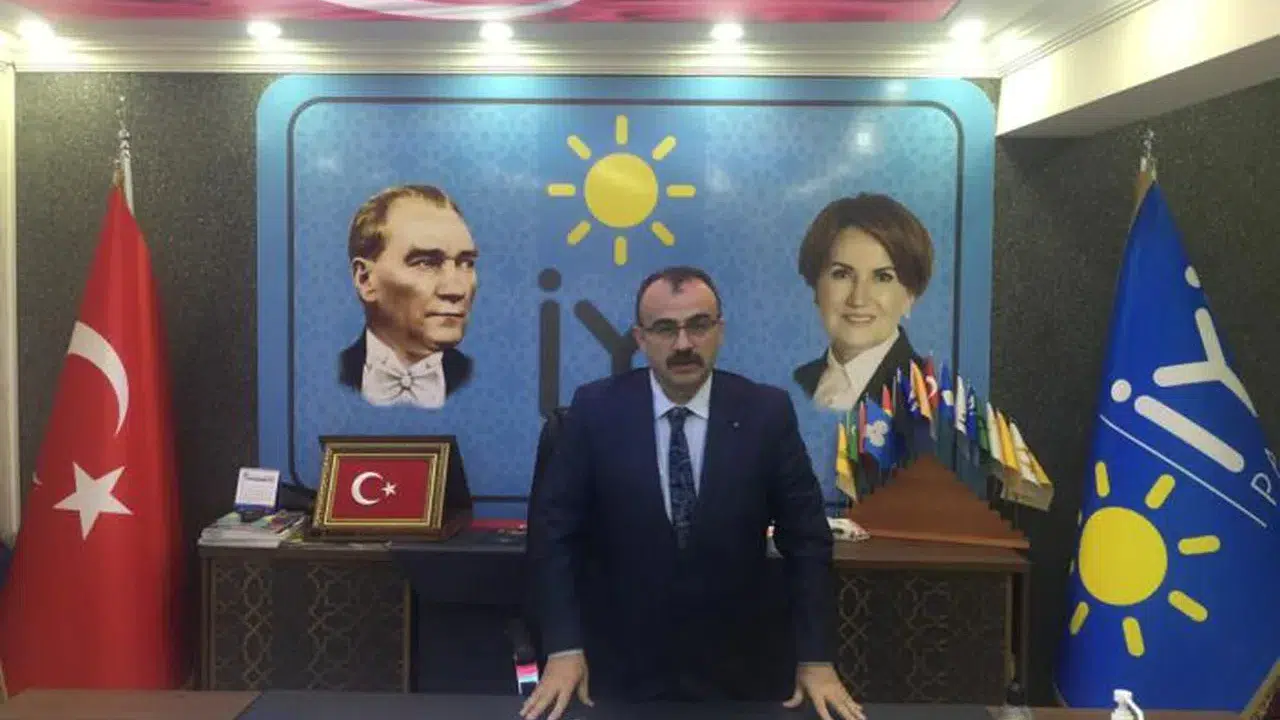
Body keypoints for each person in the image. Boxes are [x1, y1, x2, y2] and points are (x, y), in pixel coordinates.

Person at [524, 266, 863, 720]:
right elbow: (554, 539)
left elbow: (807, 542)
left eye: (698, 325)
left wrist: (816, 659)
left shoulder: (766, 413)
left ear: (719, 331)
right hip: (616, 670)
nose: (683, 344)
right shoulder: (595, 411)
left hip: (739, 670)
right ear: (641, 338)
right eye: (665, 328)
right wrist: (564, 649)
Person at [338, 184, 478, 409]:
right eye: (425, 263)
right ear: (365, 280)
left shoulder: (486, 381)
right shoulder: (328, 375)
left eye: (466, 263)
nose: (456, 290)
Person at [793, 193, 933, 413]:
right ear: (816, 287)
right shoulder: (796, 383)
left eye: (882, 277)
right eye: (841, 274)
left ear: (910, 296)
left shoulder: (929, 396)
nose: (858, 299)